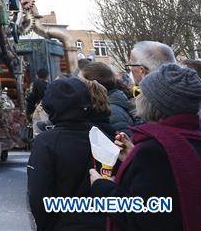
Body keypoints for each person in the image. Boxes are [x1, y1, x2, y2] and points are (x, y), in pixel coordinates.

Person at [90, 64, 201, 231]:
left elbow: (142, 216)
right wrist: (132, 157)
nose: (136, 97)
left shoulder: (154, 150)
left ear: (154, 104)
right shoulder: (189, 138)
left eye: (140, 92)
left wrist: (101, 187)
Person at [27, 77, 106, 230]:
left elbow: (38, 196)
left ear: (50, 106)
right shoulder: (102, 137)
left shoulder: (46, 142)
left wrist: (45, 226)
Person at [81, 61, 136, 135]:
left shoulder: (111, 111)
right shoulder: (106, 106)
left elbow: (127, 141)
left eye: (82, 82)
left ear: (92, 85)